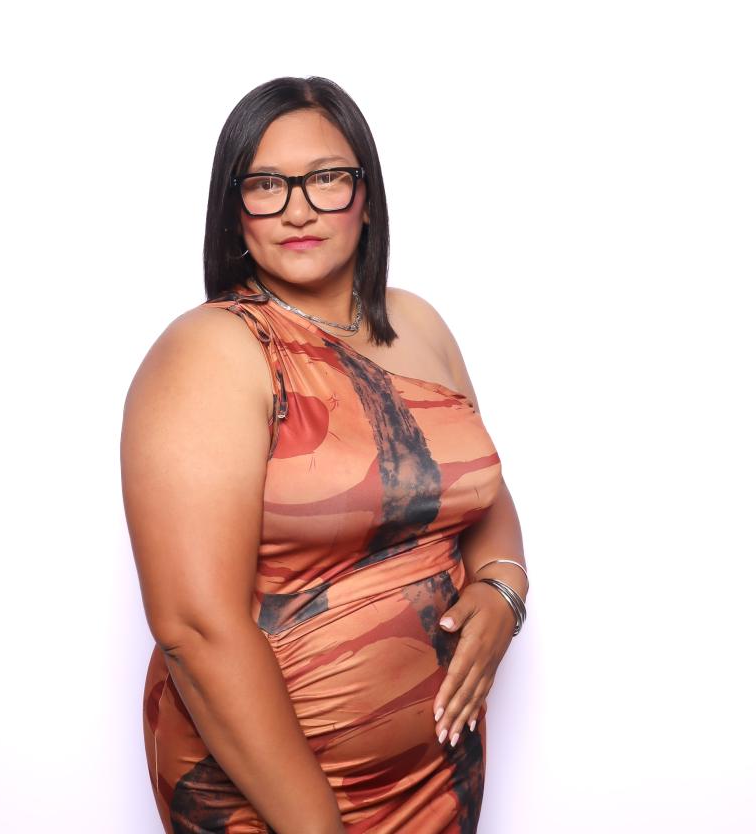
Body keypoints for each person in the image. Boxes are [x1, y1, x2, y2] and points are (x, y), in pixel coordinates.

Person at [121, 76, 529, 834]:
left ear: (366, 197)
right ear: (234, 210)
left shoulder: (418, 324)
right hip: (275, 798)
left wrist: (504, 589)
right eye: (266, 185)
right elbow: (193, 629)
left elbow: (478, 490)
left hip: (436, 775)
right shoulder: (209, 352)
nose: (298, 208)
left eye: (326, 178)